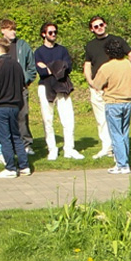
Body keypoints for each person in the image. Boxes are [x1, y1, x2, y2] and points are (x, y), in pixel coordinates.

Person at [83, 16, 131, 160]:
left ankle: (118, 152)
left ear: (105, 24)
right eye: (95, 26)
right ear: (91, 29)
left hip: (116, 89)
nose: (99, 27)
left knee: (118, 125)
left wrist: (129, 65)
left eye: (101, 24)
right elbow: (87, 65)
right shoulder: (90, 45)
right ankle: (106, 148)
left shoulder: (116, 40)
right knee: (101, 120)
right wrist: (91, 82)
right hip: (98, 87)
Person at [33, 21, 85, 160]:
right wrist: (56, 67)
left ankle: (69, 148)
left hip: (62, 86)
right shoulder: (38, 52)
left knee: (68, 119)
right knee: (47, 119)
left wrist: (50, 67)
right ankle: (52, 149)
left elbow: (67, 67)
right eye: (50, 32)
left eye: (55, 32)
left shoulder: (62, 50)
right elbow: (41, 71)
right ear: (43, 34)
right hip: (45, 86)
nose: (54, 34)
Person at [0, 36, 30, 178]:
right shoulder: (16, 65)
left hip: (0, 106)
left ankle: (10, 167)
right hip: (15, 105)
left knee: (4, 137)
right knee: (16, 136)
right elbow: (22, 84)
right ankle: (24, 165)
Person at [90, 36, 131, 175]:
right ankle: (124, 160)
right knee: (124, 133)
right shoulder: (128, 64)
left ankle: (122, 164)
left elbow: (96, 84)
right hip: (127, 102)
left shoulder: (107, 67)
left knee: (116, 134)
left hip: (113, 103)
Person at [0, 19, 38, 153]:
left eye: (14, 29)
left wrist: (25, 80)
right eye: (10, 29)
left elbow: (31, 68)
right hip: (4, 89)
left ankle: (26, 144)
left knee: (23, 115)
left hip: (20, 88)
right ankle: (9, 145)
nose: (13, 32)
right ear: (3, 30)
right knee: (7, 118)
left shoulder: (23, 46)